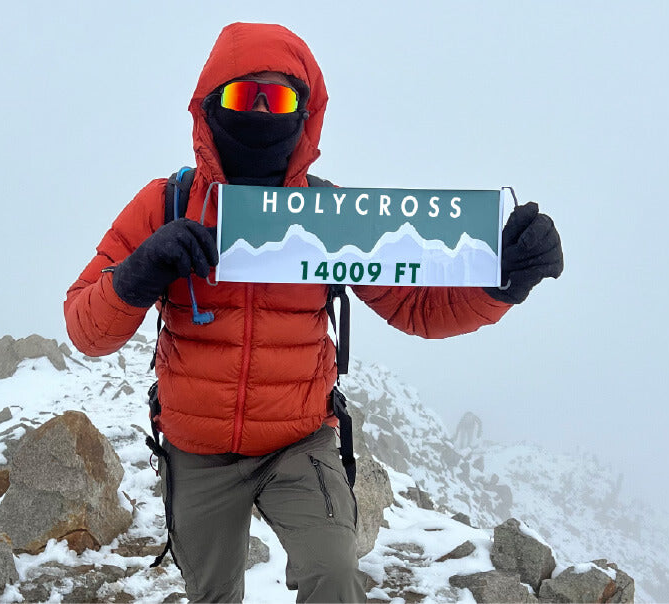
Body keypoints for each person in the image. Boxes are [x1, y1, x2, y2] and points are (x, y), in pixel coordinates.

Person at [64, 22, 563, 603]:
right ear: (209, 105)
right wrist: (137, 272)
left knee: (334, 577)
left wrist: (502, 283)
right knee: (211, 595)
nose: (259, 112)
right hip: (196, 450)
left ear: (306, 112)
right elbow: (86, 329)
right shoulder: (167, 204)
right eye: (241, 95)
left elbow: (417, 308)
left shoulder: (330, 215)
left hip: (298, 443)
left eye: (277, 99)